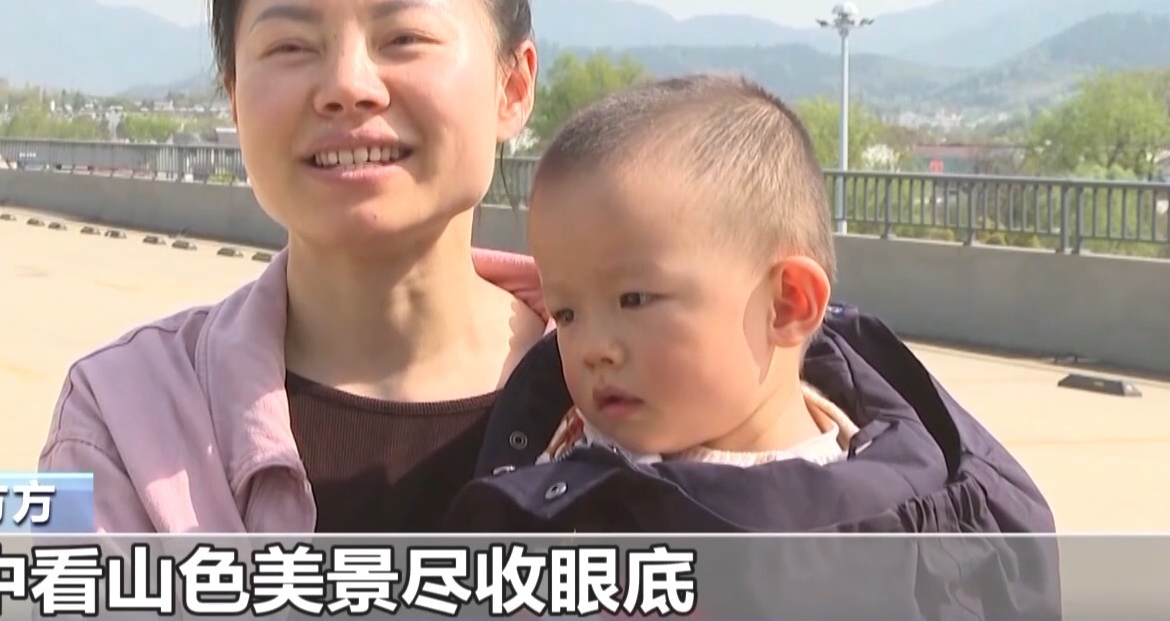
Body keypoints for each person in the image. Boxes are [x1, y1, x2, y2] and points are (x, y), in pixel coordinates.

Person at [36, 0, 550, 532]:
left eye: (403, 39)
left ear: (512, 87)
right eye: (290, 48)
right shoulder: (127, 416)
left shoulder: (650, 384)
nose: (346, 86)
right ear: (235, 99)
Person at [443, 74, 1060, 618]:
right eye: (568, 312)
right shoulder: (559, 435)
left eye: (633, 299)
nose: (591, 348)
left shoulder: (865, 555)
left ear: (787, 304)